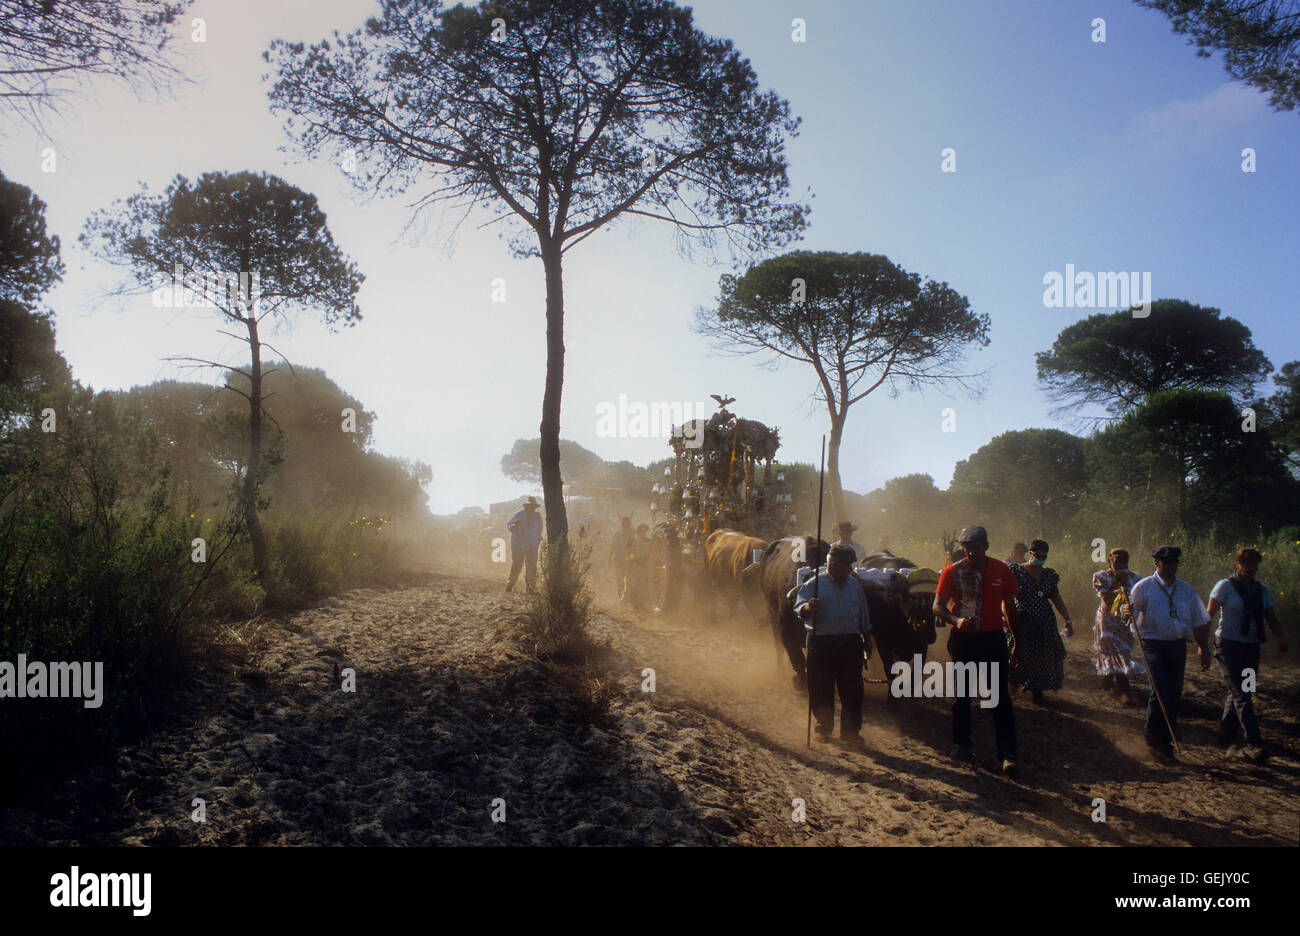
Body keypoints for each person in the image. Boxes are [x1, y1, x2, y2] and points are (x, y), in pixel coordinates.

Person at [933, 525, 1023, 777]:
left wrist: (1018, 642)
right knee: (963, 694)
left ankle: (1007, 754)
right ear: (962, 548)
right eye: (966, 547)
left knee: (999, 697)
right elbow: (937, 606)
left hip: (994, 638)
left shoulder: (1002, 570)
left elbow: (1011, 607)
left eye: (976, 546)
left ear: (986, 545)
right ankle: (961, 744)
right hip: (964, 638)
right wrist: (956, 620)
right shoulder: (952, 572)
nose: (971, 551)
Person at [1120, 545, 1212, 763]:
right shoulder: (1143, 588)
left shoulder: (1186, 590)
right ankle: (1156, 739)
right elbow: (1128, 616)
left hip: (1178, 646)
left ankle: (1163, 737)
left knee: (1174, 693)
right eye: (1167, 562)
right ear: (1157, 563)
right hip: (1152, 645)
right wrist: (1126, 613)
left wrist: (1204, 647)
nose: (1171, 566)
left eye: (1174, 562)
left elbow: (1200, 621)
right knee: (1160, 690)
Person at [1207, 547, 1290, 762]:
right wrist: (1201, 645)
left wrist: (1281, 637)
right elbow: (1208, 615)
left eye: (1254, 565)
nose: (1251, 569)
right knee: (1241, 693)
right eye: (1246, 564)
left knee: (1245, 689)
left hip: (1251, 647)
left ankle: (1225, 731)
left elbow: (1271, 617)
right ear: (1237, 565)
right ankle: (1254, 744)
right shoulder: (1224, 586)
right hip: (1227, 646)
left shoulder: (1261, 590)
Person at [795, 544, 872, 750]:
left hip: (850, 643)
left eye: (850, 566)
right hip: (821, 643)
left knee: (852, 689)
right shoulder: (814, 584)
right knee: (820, 686)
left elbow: (863, 615)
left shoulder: (854, 586)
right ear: (833, 564)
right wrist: (809, 607)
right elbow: (799, 606)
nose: (850, 570)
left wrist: (867, 638)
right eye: (847, 566)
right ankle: (823, 726)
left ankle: (850, 732)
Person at [1007, 539, 1073, 705]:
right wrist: (1004, 616)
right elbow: (1006, 597)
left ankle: (1037, 691)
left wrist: (1067, 618)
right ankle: (1012, 685)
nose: (1041, 558)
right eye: (1037, 555)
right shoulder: (1017, 571)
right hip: (1022, 621)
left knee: (1042, 657)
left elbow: (1056, 597)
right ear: (1030, 554)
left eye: (1044, 556)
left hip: (1044, 622)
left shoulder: (1049, 575)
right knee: (1018, 653)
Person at [1091, 548, 1143, 702]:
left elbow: (1138, 597)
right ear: (1110, 561)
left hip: (1124, 619)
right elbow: (1106, 599)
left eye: (1123, 562)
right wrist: (1117, 581)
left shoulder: (1135, 577)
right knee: (1114, 651)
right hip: (1107, 619)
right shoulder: (1101, 576)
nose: (1120, 565)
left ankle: (1106, 681)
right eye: (1116, 562)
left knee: (1120, 650)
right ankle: (1124, 689)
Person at [505, 496, 543, 593]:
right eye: (529, 505)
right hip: (518, 544)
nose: (530, 508)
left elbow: (539, 531)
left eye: (532, 506)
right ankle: (510, 585)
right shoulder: (518, 514)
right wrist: (514, 526)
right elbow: (509, 525)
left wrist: (537, 541)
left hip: (532, 546)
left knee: (531, 567)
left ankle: (530, 588)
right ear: (526, 506)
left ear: (535, 507)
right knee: (517, 565)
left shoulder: (537, 517)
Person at [625, 523, 653, 614]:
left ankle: (642, 605)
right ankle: (635, 606)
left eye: (645, 531)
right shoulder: (632, 541)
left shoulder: (648, 541)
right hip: (635, 566)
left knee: (644, 587)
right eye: (642, 531)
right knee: (635, 587)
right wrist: (630, 562)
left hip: (645, 567)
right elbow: (628, 554)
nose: (644, 533)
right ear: (638, 532)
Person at [609, 516, 634, 601]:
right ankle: (621, 597)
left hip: (628, 559)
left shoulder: (632, 533)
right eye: (624, 523)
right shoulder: (617, 534)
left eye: (627, 523)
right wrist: (609, 559)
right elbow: (612, 547)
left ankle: (627, 597)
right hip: (618, 558)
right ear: (622, 524)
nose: (625, 525)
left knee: (628, 579)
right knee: (619, 579)